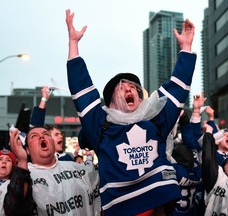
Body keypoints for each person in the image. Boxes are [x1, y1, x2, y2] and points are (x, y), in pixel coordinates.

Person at [66, 8, 196, 216]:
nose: (129, 89)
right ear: (110, 103)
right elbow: (81, 91)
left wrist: (186, 49)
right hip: (121, 209)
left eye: (133, 87)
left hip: (159, 206)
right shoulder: (101, 125)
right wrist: (73, 44)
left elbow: (177, 90)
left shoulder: (155, 119)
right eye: (121, 88)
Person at [0, 126, 100, 216]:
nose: (41, 137)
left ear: (52, 143)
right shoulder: (19, 177)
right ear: (27, 150)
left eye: (46, 134)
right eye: (34, 136)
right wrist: (22, 161)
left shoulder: (78, 170)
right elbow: (14, 210)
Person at [30, 86, 74, 161]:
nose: (61, 136)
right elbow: (35, 128)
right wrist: (44, 99)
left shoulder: (67, 158)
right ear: (47, 139)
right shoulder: (42, 158)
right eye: (56, 134)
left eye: (60, 134)